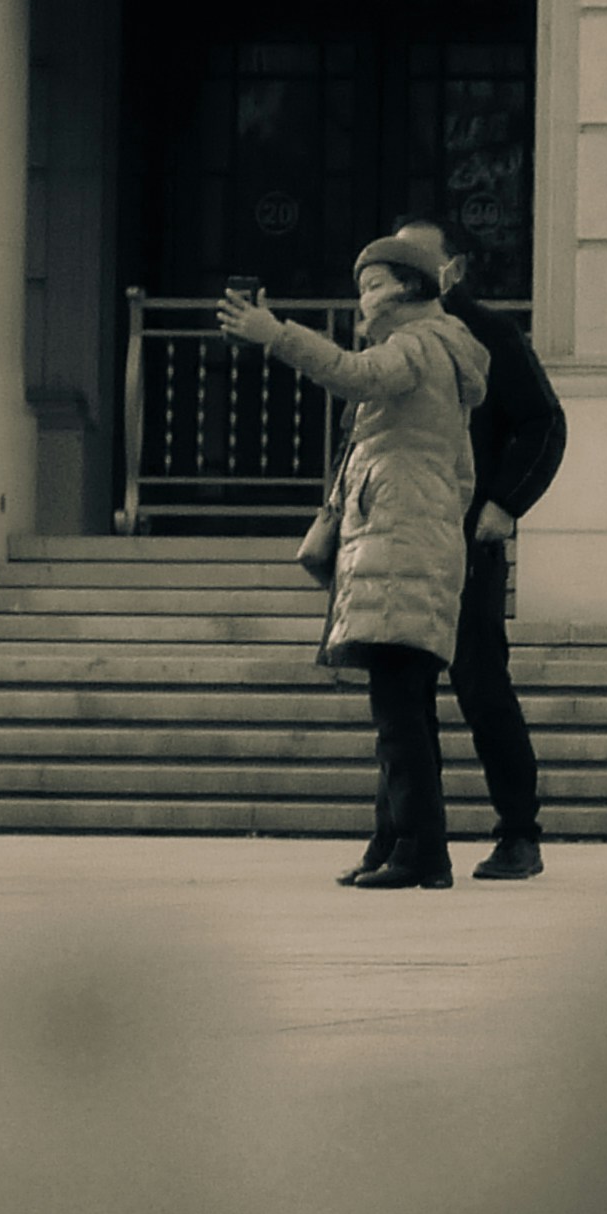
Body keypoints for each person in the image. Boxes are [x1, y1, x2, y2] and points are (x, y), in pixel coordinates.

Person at [218, 237, 489, 892]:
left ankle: (422, 853)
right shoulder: (436, 346)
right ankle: (392, 840)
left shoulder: (418, 344)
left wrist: (275, 333)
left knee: (399, 713)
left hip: (402, 548)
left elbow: (354, 374)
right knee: (402, 710)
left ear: (401, 288)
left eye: (369, 284)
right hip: (408, 545)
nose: (360, 298)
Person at [381, 211, 565, 884]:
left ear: (450, 268)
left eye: (413, 262)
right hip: (403, 539)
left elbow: (544, 422)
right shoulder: (390, 337)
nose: (398, 274)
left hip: (464, 538)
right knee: (402, 696)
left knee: (482, 688)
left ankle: (518, 832)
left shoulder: (489, 334)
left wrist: (504, 503)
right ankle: (403, 840)